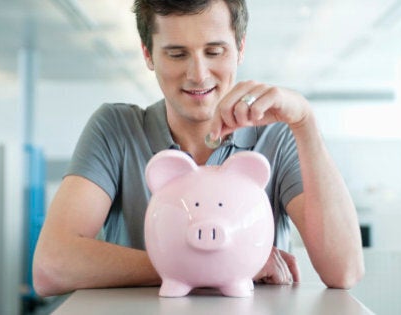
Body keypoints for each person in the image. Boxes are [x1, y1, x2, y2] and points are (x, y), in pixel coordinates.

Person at [32, 0, 364, 297]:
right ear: (148, 54)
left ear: (240, 47)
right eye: (177, 54)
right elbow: (52, 266)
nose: (198, 73)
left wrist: (304, 124)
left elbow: (344, 270)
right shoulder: (116, 130)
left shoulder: (276, 138)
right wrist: (224, 264)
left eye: (214, 51)